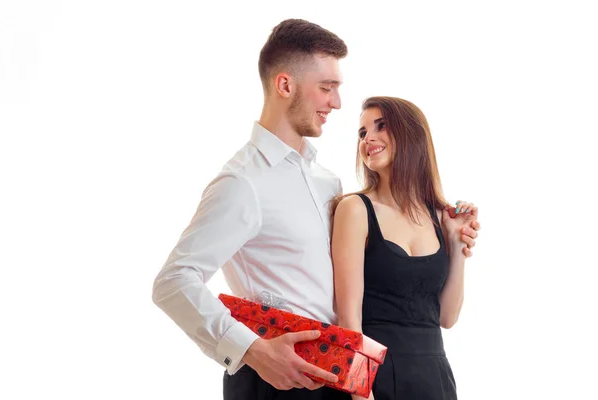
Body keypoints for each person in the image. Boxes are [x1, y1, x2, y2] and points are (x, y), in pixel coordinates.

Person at [152, 19, 480, 400]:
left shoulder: (327, 182)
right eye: (326, 88)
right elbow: (173, 281)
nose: (336, 103)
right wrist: (251, 350)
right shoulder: (243, 182)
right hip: (277, 376)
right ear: (285, 85)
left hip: (333, 370)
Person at [331, 96, 479, 400]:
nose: (368, 138)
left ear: (411, 134)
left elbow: (446, 318)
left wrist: (456, 243)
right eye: (362, 133)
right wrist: (361, 393)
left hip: (435, 376)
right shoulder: (355, 209)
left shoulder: (439, 215)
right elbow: (348, 318)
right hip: (376, 376)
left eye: (380, 126)